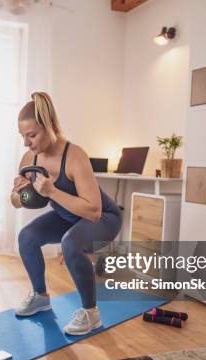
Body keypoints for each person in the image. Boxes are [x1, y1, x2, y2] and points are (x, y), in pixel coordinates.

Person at [10, 92, 122, 335]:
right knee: (27, 236)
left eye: (32, 135)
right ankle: (40, 297)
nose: (26, 143)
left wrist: (51, 191)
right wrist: (20, 193)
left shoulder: (75, 156)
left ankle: (91, 313)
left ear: (49, 127)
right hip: (67, 215)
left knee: (70, 243)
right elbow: (18, 202)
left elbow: (93, 211)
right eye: (22, 136)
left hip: (105, 218)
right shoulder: (30, 157)